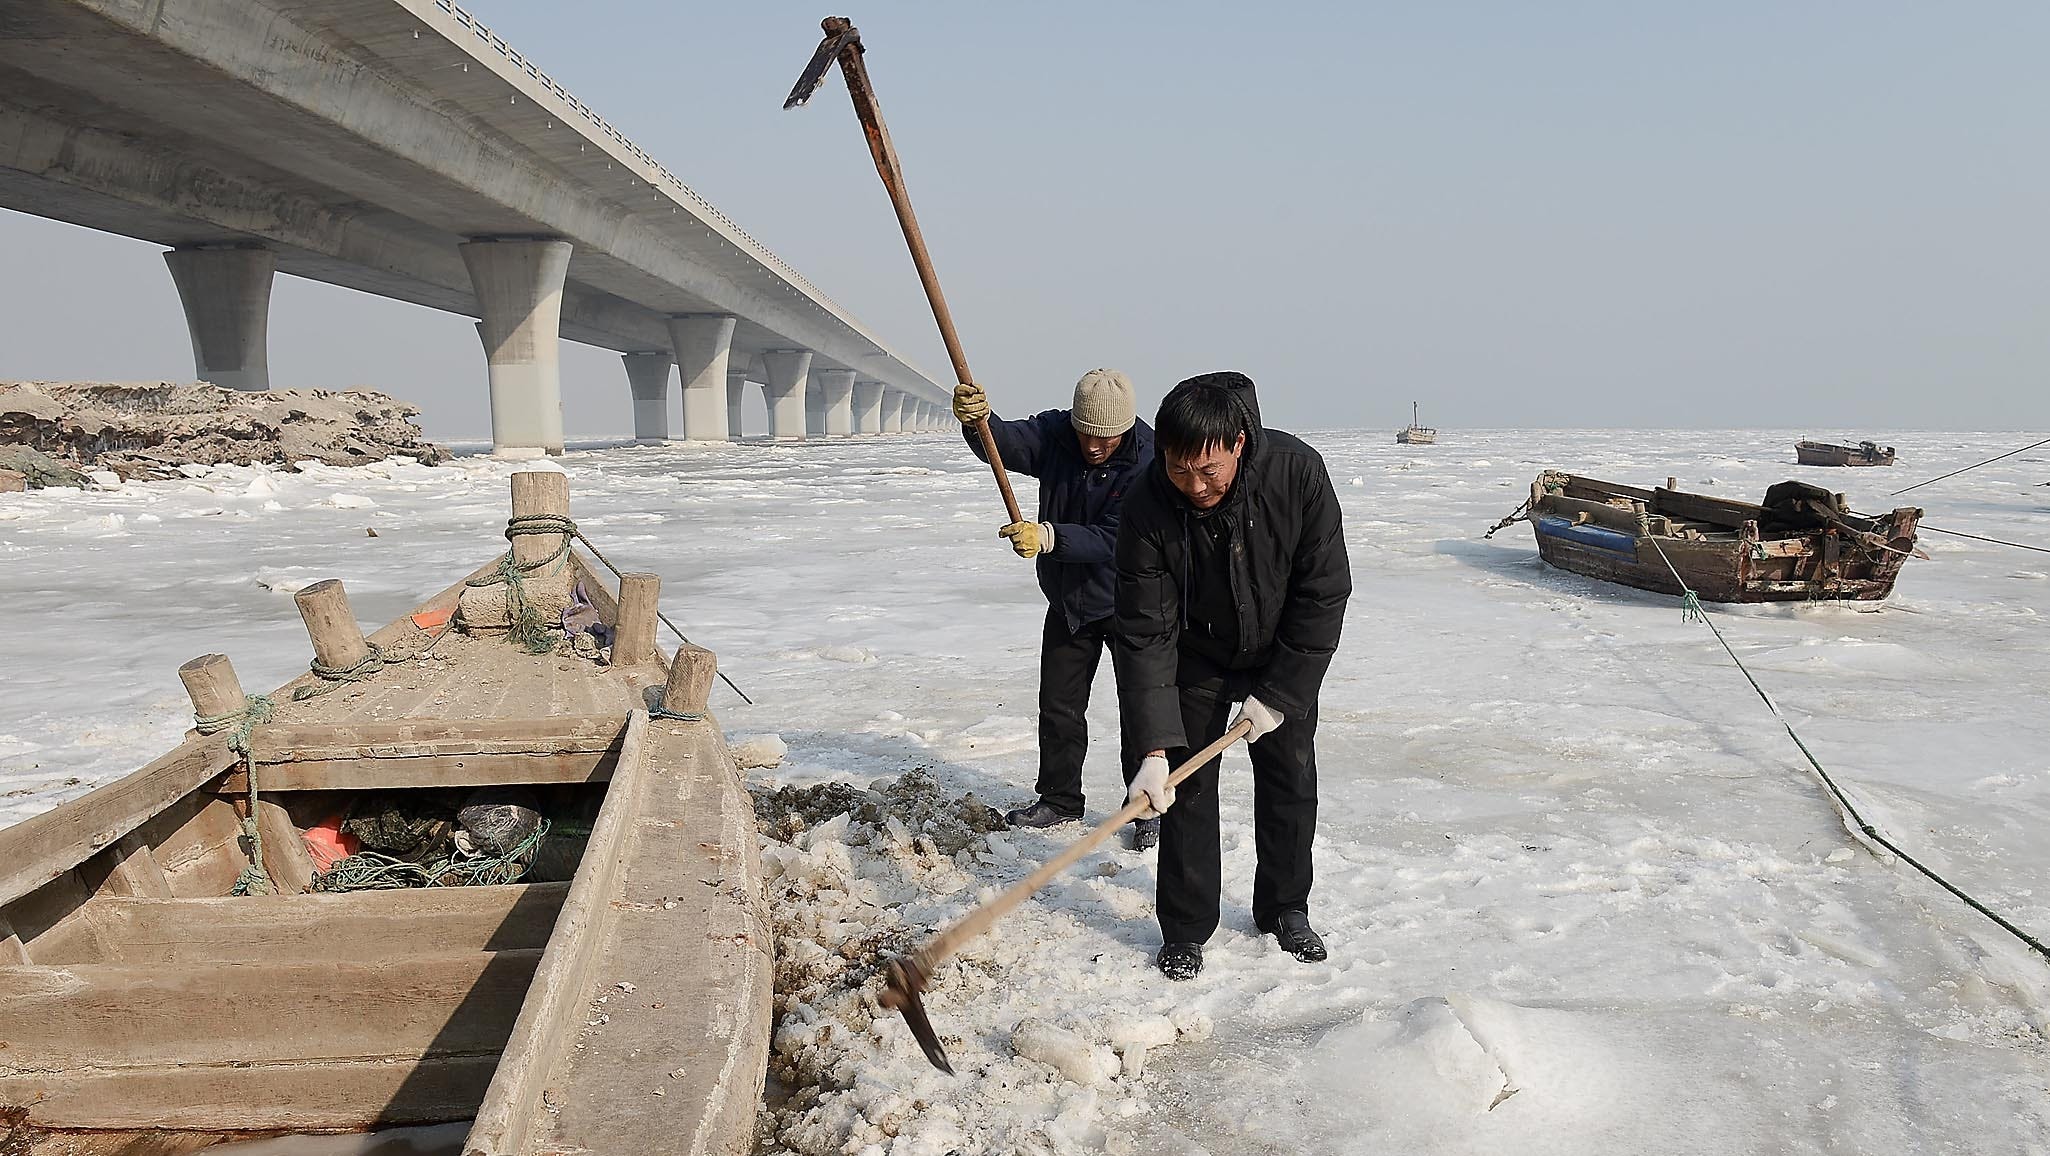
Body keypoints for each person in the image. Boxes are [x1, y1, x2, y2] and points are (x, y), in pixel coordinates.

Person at [1111, 371, 1350, 979]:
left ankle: (1285, 908)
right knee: (1186, 787)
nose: (1194, 487)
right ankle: (1187, 927)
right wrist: (1154, 746)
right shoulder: (1147, 504)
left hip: (1282, 652)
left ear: (1239, 443)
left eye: (1208, 471)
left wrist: (1281, 693)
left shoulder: (1297, 474)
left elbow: (1322, 594)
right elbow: (1145, 632)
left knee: (1291, 778)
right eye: (1179, 470)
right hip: (1196, 654)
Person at [953, 369, 1159, 847]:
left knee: (1140, 708)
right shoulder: (1056, 433)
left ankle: (1144, 804)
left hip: (1132, 599)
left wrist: (1049, 536)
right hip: (1069, 600)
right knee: (1060, 706)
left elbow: (1117, 535)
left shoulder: (1147, 459)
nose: (1092, 446)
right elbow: (1002, 445)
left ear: (1125, 429)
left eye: (1105, 438)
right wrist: (979, 422)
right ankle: (1060, 799)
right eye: (1086, 433)